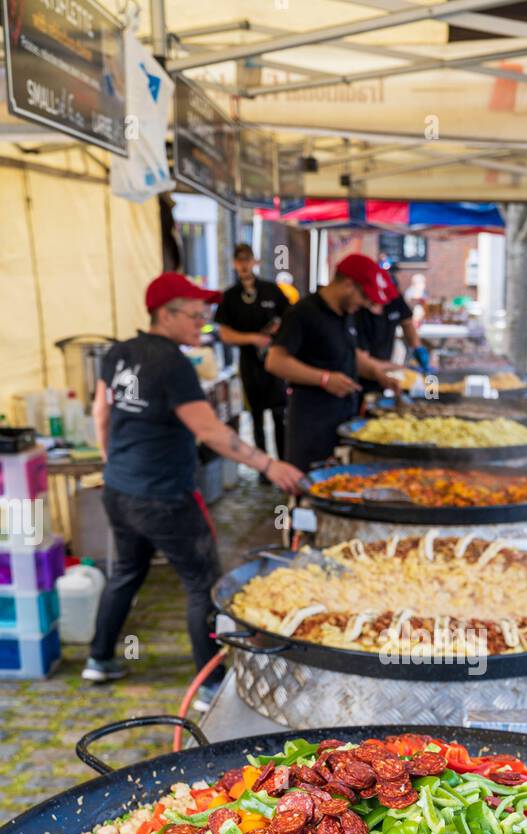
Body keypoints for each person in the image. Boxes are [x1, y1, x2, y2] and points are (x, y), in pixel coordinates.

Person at [84, 272, 304, 695]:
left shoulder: (118, 353)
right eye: (195, 316)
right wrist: (269, 464)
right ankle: (211, 684)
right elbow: (211, 432)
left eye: (205, 316)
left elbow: (101, 412)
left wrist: (113, 461)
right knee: (202, 583)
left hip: (119, 489)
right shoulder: (173, 364)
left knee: (127, 571)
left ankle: (99, 658)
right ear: (164, 314)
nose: (202, 325)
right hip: (166, 496)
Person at [265, 254, 401, 469]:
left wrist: (378, 375)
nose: (365, 304)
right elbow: (275, 361)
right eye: (364, 297)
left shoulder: (345, 313)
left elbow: (349, 354)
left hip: (343, 420)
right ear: (348, 284)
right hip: (311, 425)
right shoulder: (303, 312)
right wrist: (324, 379)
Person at [214, 245, 288, 471]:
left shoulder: (271, 290)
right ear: (235, 264)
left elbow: (290, 316)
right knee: (255, 417)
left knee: (279, 415)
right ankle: (264, 468)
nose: (244, 265)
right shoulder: (230, 297)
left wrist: (277, 327)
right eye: (240, 260)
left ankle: (283, 463)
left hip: (274, 362)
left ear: (255, 261)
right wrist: (252, 339)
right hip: (249, 363)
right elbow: (224, 333)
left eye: (247, 260)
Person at [355, 269, 430, 390]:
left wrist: (418, 348)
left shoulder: (395, 298)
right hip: (359, 370)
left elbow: (407, 324)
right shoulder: (356, 307)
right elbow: (357, 357)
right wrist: (389, 368)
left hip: (383, 366)